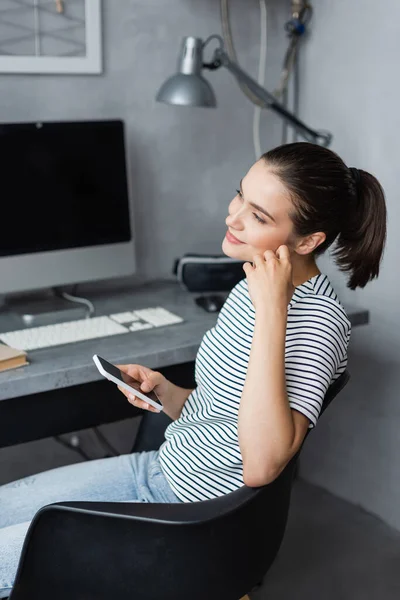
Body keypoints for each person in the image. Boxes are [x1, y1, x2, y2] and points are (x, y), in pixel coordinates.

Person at [0, 142, 387, 597]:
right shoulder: (253, 285)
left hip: (189, 518)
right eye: (239, 194)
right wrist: (167, 393)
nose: (233, 216)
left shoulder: (315, 319)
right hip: (158, 472)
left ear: (307, 241)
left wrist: (273, 311)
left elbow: (262, 464)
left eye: (259, 216)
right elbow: (225, 413)